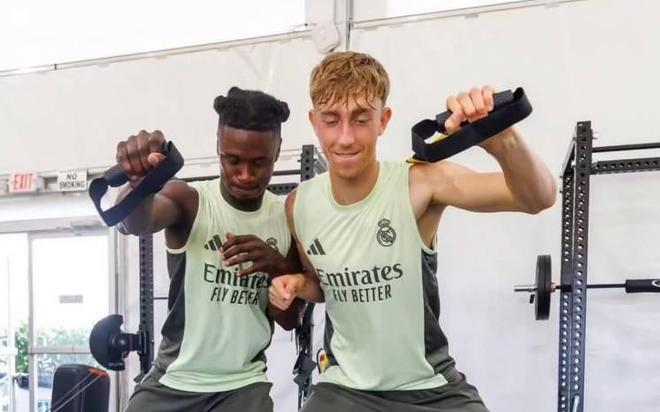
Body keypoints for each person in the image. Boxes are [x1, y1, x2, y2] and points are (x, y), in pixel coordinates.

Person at [269, 51, 557, 411]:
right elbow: (323, 286)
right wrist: (298, 284)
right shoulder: (299, 205)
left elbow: (538, 198)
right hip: (344, 389)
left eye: (361, 119)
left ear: (383, 120)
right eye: (331, 120)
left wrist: (502, 140)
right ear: (314, 121)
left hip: (428, 388)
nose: (345, 138)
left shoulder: (419, 184)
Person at [117, 86, 303, 412]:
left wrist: (276, 268)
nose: (245, 175)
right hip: (174, 381)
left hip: (242, 386)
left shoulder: (286, 217)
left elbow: (290, 320)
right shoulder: (190, 201)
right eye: (233, 160)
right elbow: (134, 223)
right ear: (218, 145)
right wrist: (138, 185)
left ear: (277, 151)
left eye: (259, 163)